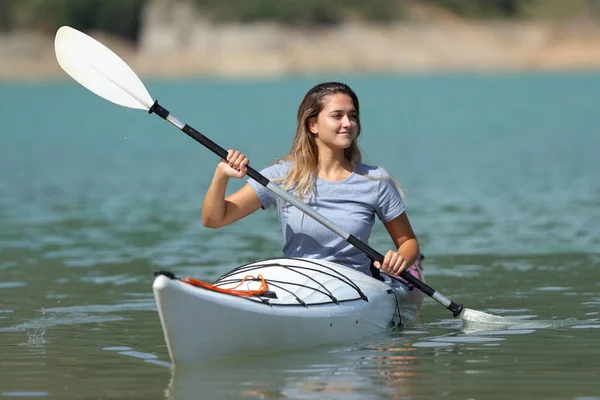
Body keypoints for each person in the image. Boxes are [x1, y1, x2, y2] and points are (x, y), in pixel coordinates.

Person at [201, 81, 421, 277]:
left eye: (352, 116)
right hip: (299, 282)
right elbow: (213, 220)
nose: (348, 123)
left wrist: (400, 259)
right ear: (312, 125)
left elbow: (408, 243)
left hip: (356, 286)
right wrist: (221, 176)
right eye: (337, 115)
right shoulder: (281, 177)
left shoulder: (375, 180)